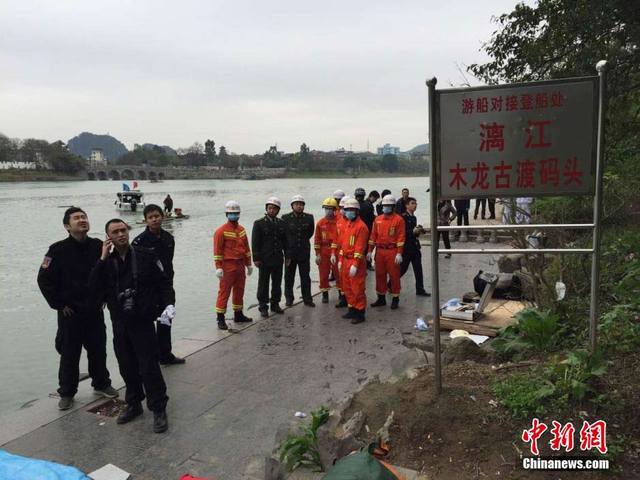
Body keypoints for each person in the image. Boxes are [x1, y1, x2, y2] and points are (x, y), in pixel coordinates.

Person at [89, 219, 172, 433]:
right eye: (115, 232)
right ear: (108, 237)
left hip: (142, 321)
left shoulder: (146, 255)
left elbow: (163, 283)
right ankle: (133, 403)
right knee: (126, 365)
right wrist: (102, 258)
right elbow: (92, 288)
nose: (120, 234)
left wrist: (168, 306)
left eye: (123, 230)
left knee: (149, 366)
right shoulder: (106, 262)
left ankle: (158, 408)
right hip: (119, 322)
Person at [37, 207, 118, 411]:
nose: (82, 220)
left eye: (84, 217)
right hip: (70, 312)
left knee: (98, 349)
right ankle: (67, 392)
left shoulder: (98, 246)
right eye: (76, 218)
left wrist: (105, 297)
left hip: (94, 310)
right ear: (67, 226)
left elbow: (109, 274)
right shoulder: (56, 250)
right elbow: (44, 280)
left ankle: (101, 383)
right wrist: (59, 304)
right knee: (69, 353)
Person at [132, 205, 185, 365]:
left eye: (157, 216)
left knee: (166, 319)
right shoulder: (139, 242)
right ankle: (149, 357)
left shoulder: (168, 238)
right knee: (147, 323)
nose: (154, 219)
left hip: (166, 286)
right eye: (150, 217)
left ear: (162, 216)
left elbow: (168, 262)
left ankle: (165, 354)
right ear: (146, 220)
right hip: (148, 289)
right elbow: (136, 268)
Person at [213, 200, 253, 330]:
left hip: (240, 264)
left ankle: (238, 314)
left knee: (239, 290)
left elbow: (246, 249)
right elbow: (217, 251)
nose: (234, 215)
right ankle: (220, 318)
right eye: (231, 213)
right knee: (224, 292)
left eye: (236, 213)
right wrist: (218, 267)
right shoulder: (221, 231)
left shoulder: (242, 230)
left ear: (239, 214)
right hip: (227, 265)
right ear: (227, 214)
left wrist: (249, 264)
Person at [333, 197, 369, 324]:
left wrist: (355, 264)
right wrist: (340, 260)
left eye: (351, 210)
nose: (348, 212)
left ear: (357, 211)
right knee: (347, 287)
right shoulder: (348, 225)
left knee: (357, 288)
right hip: (345, 260)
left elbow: (360, 247)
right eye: (347, 209)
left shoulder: (361, 227)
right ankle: (352, 309)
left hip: (355, 261)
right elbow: (343, 244)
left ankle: (360, 312)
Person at [252, 196, 287, 317]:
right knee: (263, 284)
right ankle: (263, 306)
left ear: (278, 210)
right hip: (264, 259)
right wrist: (256, 258)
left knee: (277, 283)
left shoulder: (281, 223)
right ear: (266, 209)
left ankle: (275, 304)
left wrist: (287, 256)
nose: (272, 210)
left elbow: (285, 242)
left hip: (278, 258)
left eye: (274, 208)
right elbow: (255, 242)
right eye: (269, 208)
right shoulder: (259, 223)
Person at [368, 195, 406, 309]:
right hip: (380, 251)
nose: (385, 208)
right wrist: (369, 251)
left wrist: (399, 253)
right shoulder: (377, 219)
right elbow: (373, 236)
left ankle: (395, 298)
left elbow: (401, 237)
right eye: (384, 206)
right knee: (379, 275)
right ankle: (381, 298)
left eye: (388, 206)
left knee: (394, 276)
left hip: (392, 251)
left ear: (393, 206)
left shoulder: (399, 220)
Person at [282, 195, 315, 307]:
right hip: (290, 253)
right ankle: (289, 299)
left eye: (301, 204)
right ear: (292, 206)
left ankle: (307, 299)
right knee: (288, 277)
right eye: (296, 204)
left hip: (304, 252)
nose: (299, 206)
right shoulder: (285, 218)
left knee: (305, 276)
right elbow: (283, 235)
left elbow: (310, 232)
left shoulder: (309, 218)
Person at [400, 197, 431, 296]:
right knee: (403, 269)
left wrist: (418, 230)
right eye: (412, 203)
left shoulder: (414, 217)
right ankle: (390, 284)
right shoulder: (403, 217)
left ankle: (420, 289)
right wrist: (412, 231)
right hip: (406, 247)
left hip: (415, 246)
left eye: (415, 203)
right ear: (407, 205)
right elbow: (401, 233)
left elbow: (415, 233)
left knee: (418, 269)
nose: (415, 205)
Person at [314, 198, 339, 304]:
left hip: (337, 250)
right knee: (323, 274)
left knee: (338, 273)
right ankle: (325, 294)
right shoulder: (320, 223)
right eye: (326, 208)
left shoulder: (339, 222)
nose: (328, 210)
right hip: (324, 250)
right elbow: (317, 239)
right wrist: (317, 254)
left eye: (330, 208)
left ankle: (341, 294)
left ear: (334, 209)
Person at [333, 196, 350, 308]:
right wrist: (333, 253)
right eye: (341, 208)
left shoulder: (356, 223)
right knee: (341, 277)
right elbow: (335, 239)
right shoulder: (339, 222)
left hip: (351, 255)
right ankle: (343, 298)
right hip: (340, 254)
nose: (342, 210)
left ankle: (353, 302)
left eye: (345, 208)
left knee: (352, 280)